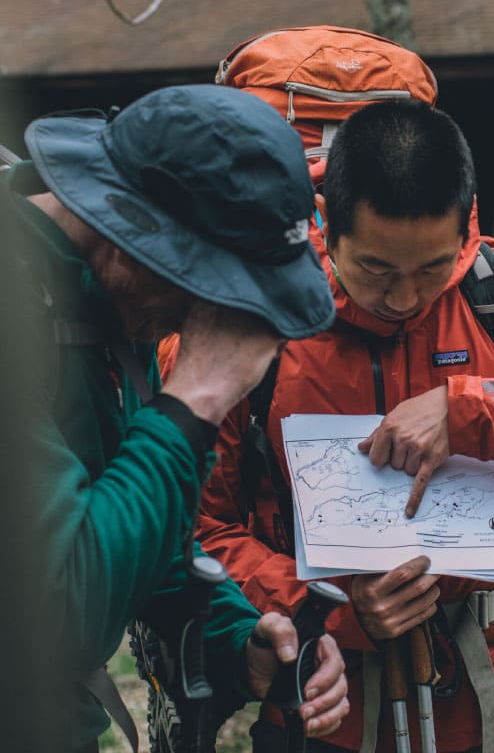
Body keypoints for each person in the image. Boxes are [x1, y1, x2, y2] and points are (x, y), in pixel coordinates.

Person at [160, 99, 494, 753]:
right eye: (377, 269)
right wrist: (335, 608)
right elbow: (193, 527)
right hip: (322, 703)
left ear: (464, 229)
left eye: (433, 268)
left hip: (487, 694)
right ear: (330, 225)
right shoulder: (252, 317)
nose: (405, 297)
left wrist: (471, 410)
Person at [4, 84, 351, 752]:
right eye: (214, 292)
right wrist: (194, 398)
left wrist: (237, 639)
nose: (209, 320)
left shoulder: (100, 299)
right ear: (134, 239)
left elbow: (135, 531)